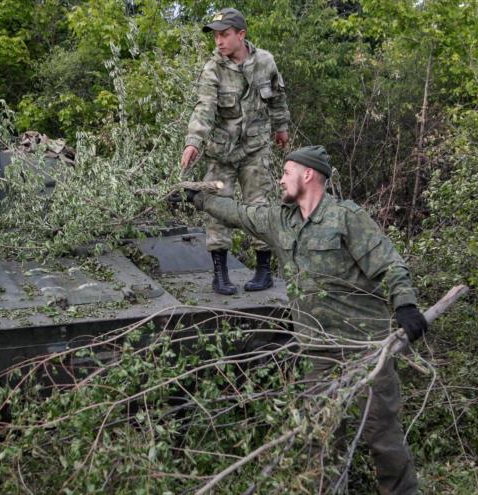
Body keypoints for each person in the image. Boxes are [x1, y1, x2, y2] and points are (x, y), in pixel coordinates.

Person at [188, 145, 427, 494]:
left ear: (308, 174)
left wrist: (405, 305)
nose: (281, 180)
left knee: (383, 438)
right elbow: (239, 213)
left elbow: (389, 263)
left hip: (364, 348)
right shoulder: (279, 221)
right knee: (322, 438)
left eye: (286, 172)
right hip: (318, 351)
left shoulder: (346, 217)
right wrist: (201, 200)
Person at [181, 7, 290, 296]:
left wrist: (282, 129)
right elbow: (204, 108)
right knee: (217, 209)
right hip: (221, 152)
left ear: (241, 35)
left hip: (255, 149)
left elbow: (278, 99)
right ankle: (221, 275)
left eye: (224, 35)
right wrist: (193, 141)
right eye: (215, 36)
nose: (218, 41)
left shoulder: (265, 62)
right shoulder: (213, 68)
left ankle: (263, 272)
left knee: (259, 207)